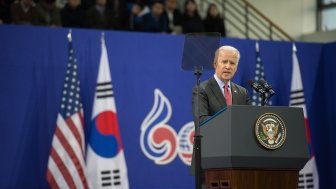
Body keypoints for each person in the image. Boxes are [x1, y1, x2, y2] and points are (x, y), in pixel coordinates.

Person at [192, 45, 251, 124]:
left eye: (232, 63)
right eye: (224, 62)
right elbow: (201, 120)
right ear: (215, 64)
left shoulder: (243, 93)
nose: (228, 66)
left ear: (236, 68)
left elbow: (248, 119)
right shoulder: (201, 89)